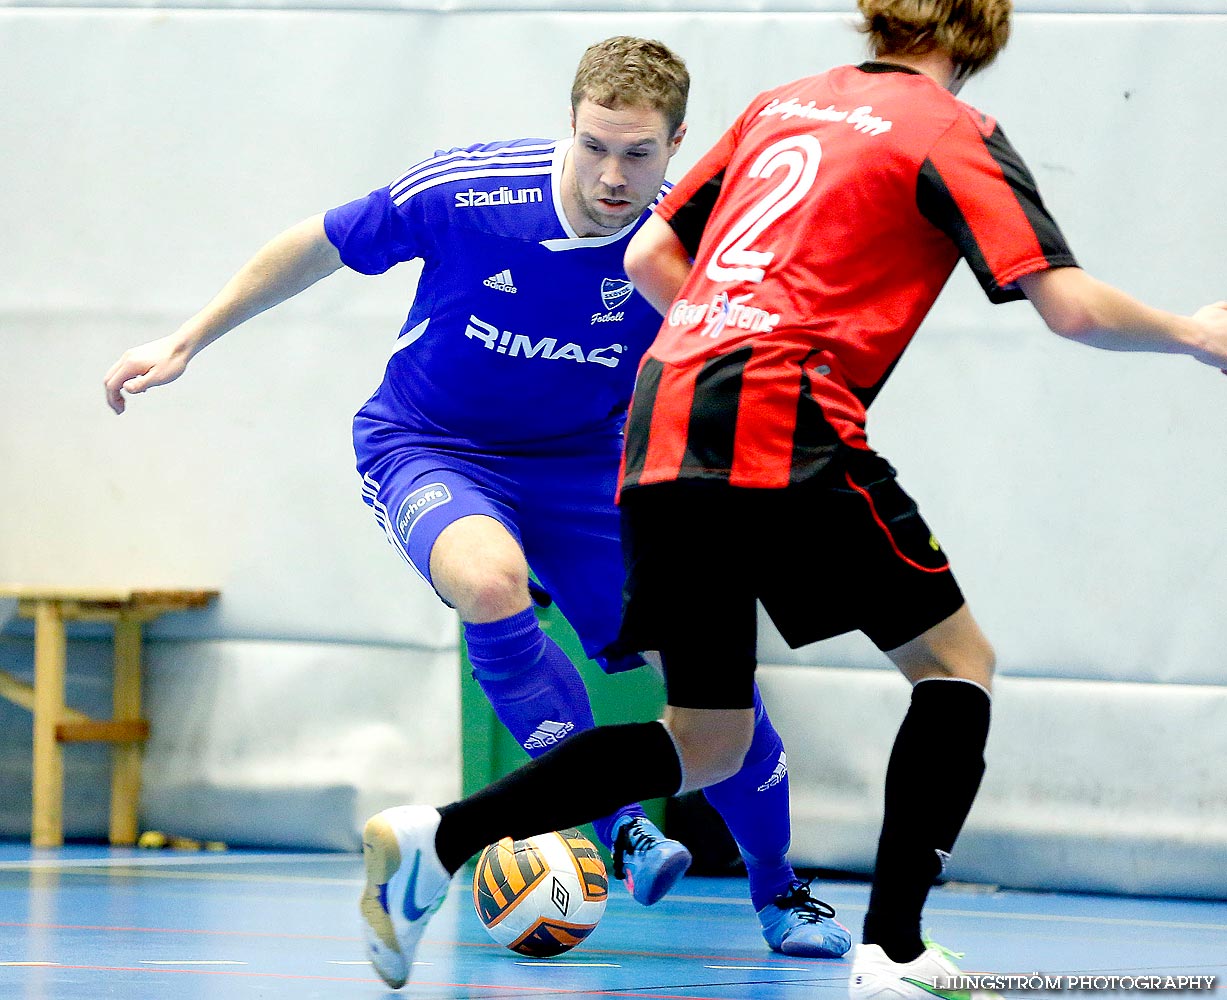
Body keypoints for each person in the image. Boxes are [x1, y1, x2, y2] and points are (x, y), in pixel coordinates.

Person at [340, 0, 1227, 995]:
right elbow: (1066, 305)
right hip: (786, 415)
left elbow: (649, 257)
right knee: (956, 663)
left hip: (665, 423)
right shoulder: (952, 129)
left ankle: (441, 839)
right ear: (983, 29)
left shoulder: (785, 103)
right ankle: (891, 950)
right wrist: (1197, 333)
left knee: (704, 738)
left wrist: (727, 335)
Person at [102, 34, 851, 982]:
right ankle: (614, 822)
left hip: (593, 470)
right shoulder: (469, 194)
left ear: (677, 145)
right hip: (433, 447)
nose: (612, 174)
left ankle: (779, 887)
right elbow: (317, 244)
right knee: (488, 582)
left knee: (706, 682)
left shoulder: (690, 240)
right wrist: (187, 339)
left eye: (638, 154)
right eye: (594, 146)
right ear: (568, 129)